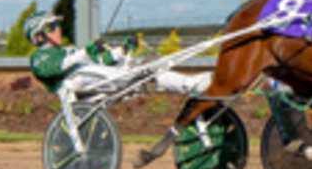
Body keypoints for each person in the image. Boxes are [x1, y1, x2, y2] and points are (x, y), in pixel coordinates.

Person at [23, 12, 211, 105]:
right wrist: (85, 52)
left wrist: (121, 50)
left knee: (147, 70)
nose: (58, 28)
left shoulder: (69, 51)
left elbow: (102, 62)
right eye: (52, 26)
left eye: (56, 24)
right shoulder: (39, 57)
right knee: (137, 72)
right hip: (75, 81)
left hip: (91, 77)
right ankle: (191, 84)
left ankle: (191, 84)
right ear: (39, 36)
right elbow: (53, 68)